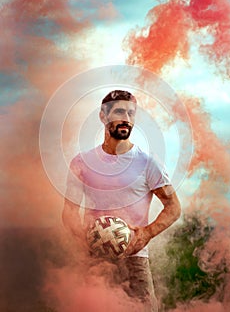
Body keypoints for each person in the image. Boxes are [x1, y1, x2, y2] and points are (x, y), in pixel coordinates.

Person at [62, 90, 181, 311]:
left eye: (131, 113)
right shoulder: (82, 162)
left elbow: (173, 207)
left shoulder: (147, 163)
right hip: (94, 262)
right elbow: (69, 212)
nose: (126, 118)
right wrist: (87, 240)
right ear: (103, 116)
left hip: (135, 260)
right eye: (119, 111)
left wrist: (146, 233)